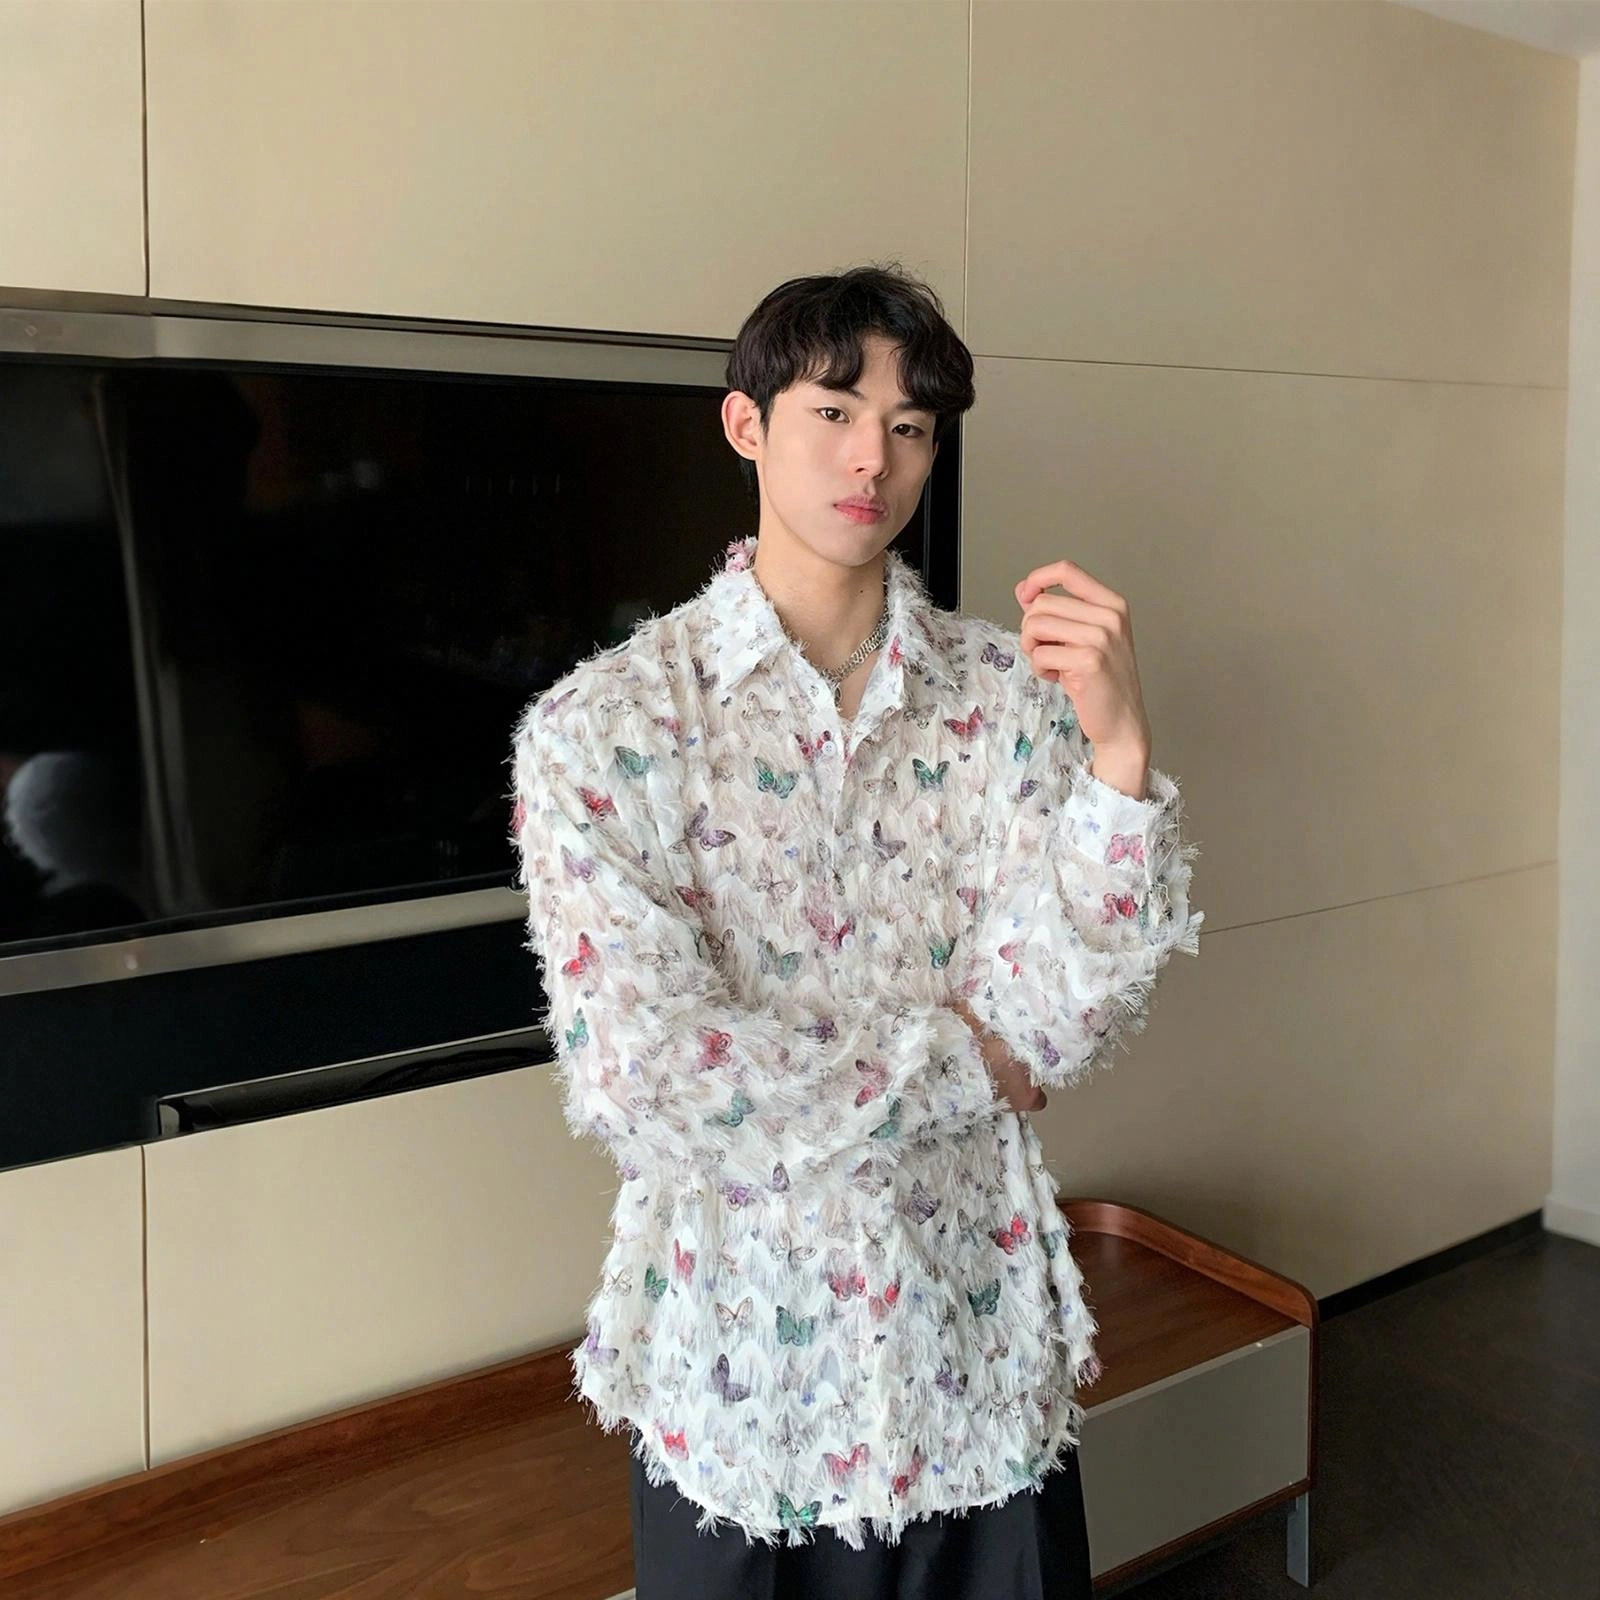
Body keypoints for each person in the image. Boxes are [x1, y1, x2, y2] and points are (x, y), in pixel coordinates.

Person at [509, 262, 1204, 1598]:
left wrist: (1118, 760)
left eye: (909, 426)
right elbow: (648, 1075)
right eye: (833, 411)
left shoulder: (1007, 699)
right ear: (747, 424)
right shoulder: (604, 731)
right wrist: (958, 1058)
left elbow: (1063, 1020)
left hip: (976, 1358)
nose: (871, 458)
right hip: (740, 1388)